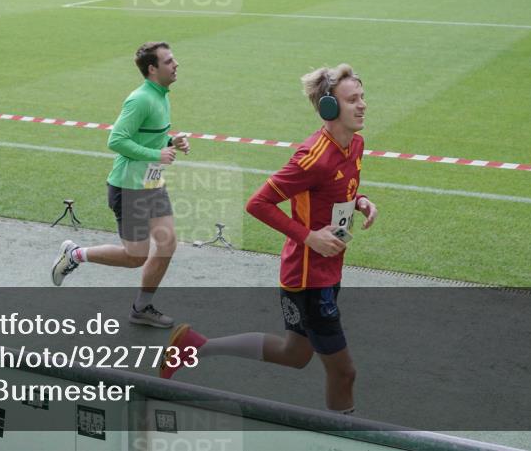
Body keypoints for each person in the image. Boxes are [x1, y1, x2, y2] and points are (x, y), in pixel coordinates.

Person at [159, 64, 377, 415]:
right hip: (308, 280)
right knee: (344, 373)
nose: (363, 105)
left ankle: (196, 345)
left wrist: (360, 201)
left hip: (325, 270)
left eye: (363, 97)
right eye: (353, 99)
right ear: (329, 108)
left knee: (294, 353)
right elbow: (257, 203)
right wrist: (308, 237)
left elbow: (337, 189)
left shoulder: (355, 144)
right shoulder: (312, 158)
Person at [51, 42, 190, 329]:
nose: (176, 64)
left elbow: (147, 138)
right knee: (135, 257)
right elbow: (116, 140)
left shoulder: (161, 96)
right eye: (169, 61)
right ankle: (75, 254)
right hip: (129, 188)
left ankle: (141, 308)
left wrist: (169, 142)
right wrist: (157, 154)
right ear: (152, 69)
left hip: (152, 184)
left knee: (167, 243)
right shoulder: (140, 99)